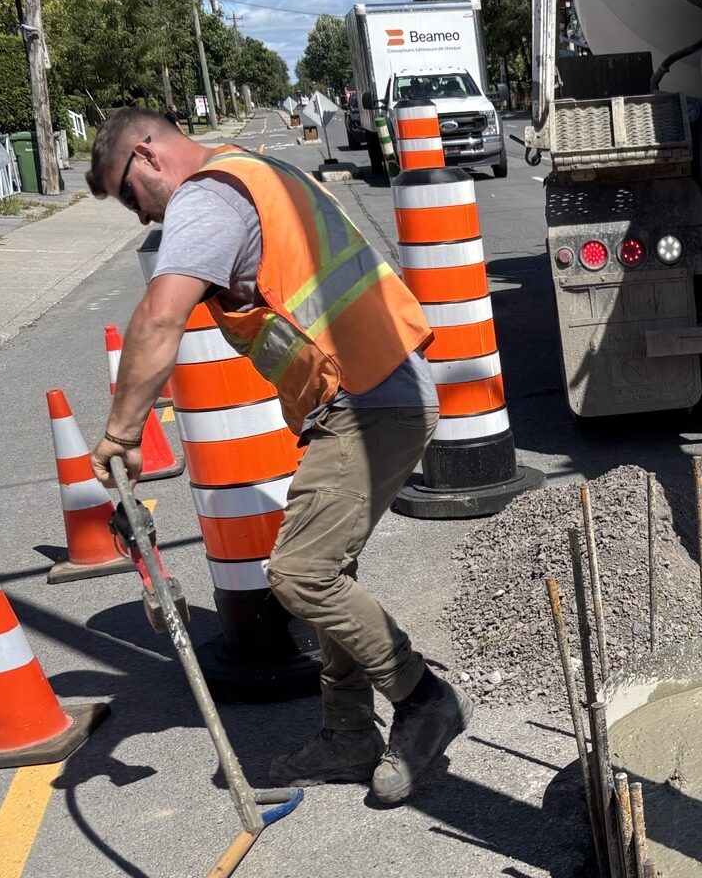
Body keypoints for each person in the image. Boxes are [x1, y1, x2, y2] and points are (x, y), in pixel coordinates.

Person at [87, 106, 470, 805]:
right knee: (329, 569)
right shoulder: (250, 171)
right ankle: (349, 733)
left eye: (128, 194)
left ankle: (424, 699)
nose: (141, 216)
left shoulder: (208, 195)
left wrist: (119, 434)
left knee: (300, 574)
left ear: (146, 155)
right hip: (366, 392)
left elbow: (159, 316)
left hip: (370, 398)